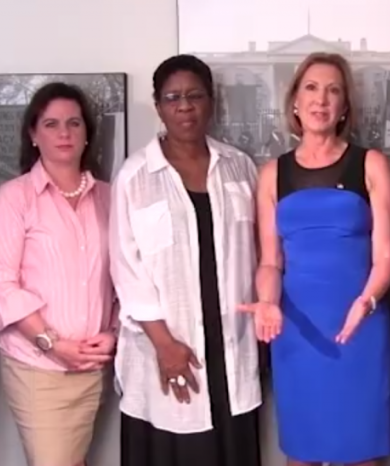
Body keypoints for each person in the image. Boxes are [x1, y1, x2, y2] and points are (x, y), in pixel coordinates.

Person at [240, 52, 390, 466]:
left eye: (333, 90)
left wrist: (368, 300)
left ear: (345, 105)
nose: (321, 99)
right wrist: (268, 301)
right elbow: (270, 261)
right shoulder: (272, 173)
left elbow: (385, 255)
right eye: (311, 87)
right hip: (296, 329)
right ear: (294, 101)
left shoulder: (371, 164)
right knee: (302, 452)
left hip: (361, 323)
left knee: (361, 453)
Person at [110, 54, 262, 466]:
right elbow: (127, 267)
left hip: (231, 341)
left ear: (211, 102)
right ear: (158, 105)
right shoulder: (135, 175)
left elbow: (261, 251)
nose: (185, 106)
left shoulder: (239, 168)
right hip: (168, 343)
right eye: (173, 97)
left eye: (195, 95)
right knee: (174, 446)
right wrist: (164, 345)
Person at [0, 82, 116, 466]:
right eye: (52, 123)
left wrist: (112, 334)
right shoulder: (14, 197)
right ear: (33, 134)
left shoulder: (109, 197)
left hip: (91, 367)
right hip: (37, 368)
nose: (64, 133)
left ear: (87, 133)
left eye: (74, 123)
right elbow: (3, 286)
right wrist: (50, 343)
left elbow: (125, 279)